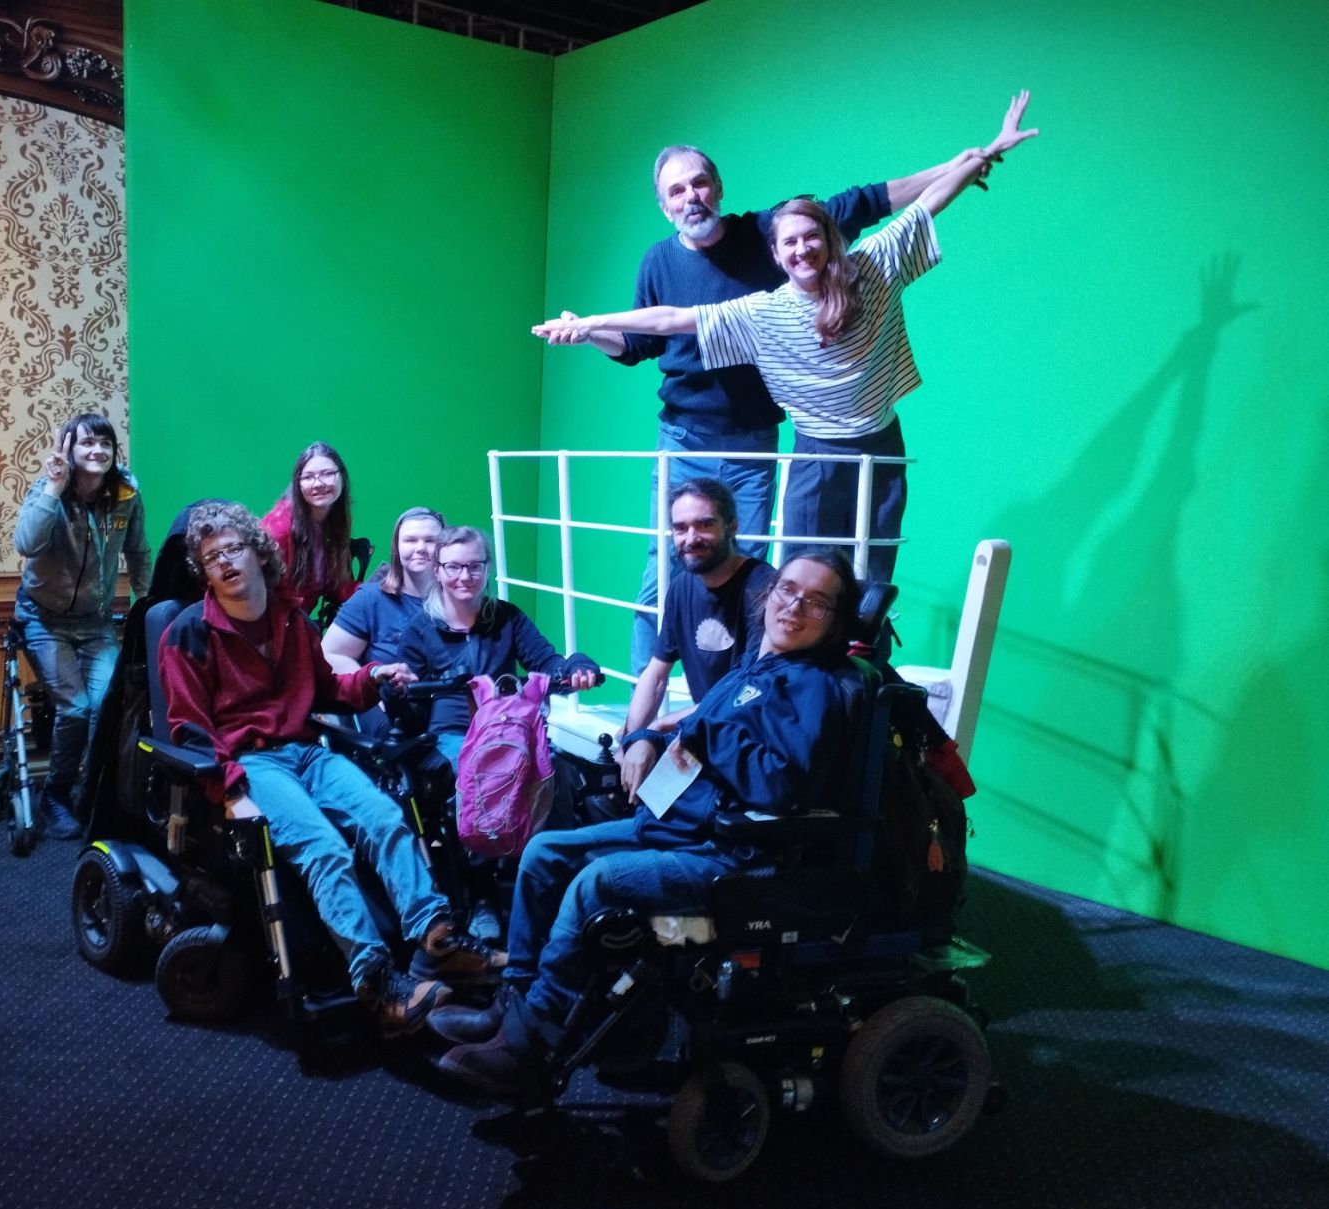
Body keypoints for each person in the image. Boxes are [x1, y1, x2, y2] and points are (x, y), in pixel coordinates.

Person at [548, 94, 1037, 670]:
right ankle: (666, 683)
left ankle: (816, 678)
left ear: (719, 187)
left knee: (821, 571)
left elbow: (902, 204)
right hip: (714, 440)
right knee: (692, 567)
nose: (691, 196)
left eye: (699, 183)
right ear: (664, 205)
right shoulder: (754, 306)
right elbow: (659, 328)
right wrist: (590, 326)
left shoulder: (859, 262)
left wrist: (977, 157)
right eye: (677, 191)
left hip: (788, 441)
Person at [430, 549, 863, 1093]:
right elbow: (697, 725)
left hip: (727, 852)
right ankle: (514, 1001)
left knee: (595, 882)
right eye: (788, 590)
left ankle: (533, 1038)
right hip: (676, 823)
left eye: (816, 602)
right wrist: (647, 737)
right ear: (769, 594)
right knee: (543, 853)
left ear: (835, 620)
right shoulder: (756, 666)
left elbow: (781, 783)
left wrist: (710, 736)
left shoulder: (813, 687)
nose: (794, 607)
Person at [156, 502, 503, 1035]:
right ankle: (375, 983)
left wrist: (372, 678)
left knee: (385, 819)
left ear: (258, 552)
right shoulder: (188, 633)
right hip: (249, 762)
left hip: (307, 751)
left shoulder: (291, 619)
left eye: (233, 549)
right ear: (202, 570)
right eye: (211, 557)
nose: (224, 562)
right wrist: (230, 790)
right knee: (325, 849)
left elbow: (326, 689)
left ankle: (437, 939)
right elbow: (190, 729)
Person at [12, 412, 152, 839]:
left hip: (96, 623)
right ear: (69, 450)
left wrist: (147, 605)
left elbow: (138, 552)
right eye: (87, 443)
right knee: (75, 707)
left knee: (107, 705)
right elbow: (27, 543)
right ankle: (55, 793)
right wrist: (54, 488)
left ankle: (92, 793)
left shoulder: (126, 494)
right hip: (44, 619)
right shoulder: (48, 489)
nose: (98, 451)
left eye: (105, 443)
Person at [620, 478, 775, 803]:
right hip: (705, 728)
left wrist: (658, 728)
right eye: (681, 528)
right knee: (617, 792)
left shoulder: (762, 586)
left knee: (655, 808)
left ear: (732, 526)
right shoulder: (681, 587)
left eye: (704, 525)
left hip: (747, 737)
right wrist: (632, 737)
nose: (691, 538)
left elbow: (744, 692)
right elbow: (656, 675)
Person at [394, 526, 600, 765]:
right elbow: (409, 703)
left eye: (474, 566)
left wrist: (576, 666)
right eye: (453, 567)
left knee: (564, 772)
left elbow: (546, 662)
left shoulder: (508, 617)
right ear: (437, 571)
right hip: (451, 736)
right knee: (485, 771)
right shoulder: (419, 630)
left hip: (510, 727)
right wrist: (394, 692)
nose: (465, 576)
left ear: (487, 568)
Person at [321, 505, 445, 674]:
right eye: (410, 540)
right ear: (397, 548)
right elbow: (330, 655)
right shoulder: (370, 599)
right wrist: (373, 678)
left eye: (431, 540)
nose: (420, 548)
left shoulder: (460, 600)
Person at [261, 442, 357, 619]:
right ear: (297, 484)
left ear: (342, 477)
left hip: (301, 622)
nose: (318, 484)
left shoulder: (336, 517)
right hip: (274, 623)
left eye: (327, 474)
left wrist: (370, 592)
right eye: (308, 477)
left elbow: (334, 583)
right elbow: (265, 595)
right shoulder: (279, 528)